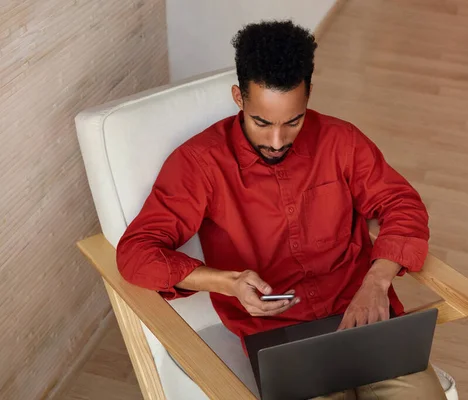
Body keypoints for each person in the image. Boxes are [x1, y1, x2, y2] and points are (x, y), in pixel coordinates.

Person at [116, 20, 445, 399]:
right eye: (261, 122)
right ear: (239, 98)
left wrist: (377, 281)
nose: (277, 141)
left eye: (293, 121)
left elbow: (402, 204)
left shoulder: (342, 141)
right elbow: (137, 255)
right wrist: (226, 282)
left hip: (364, 315)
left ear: (308, 95)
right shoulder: (199, 163)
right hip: (280, 339)